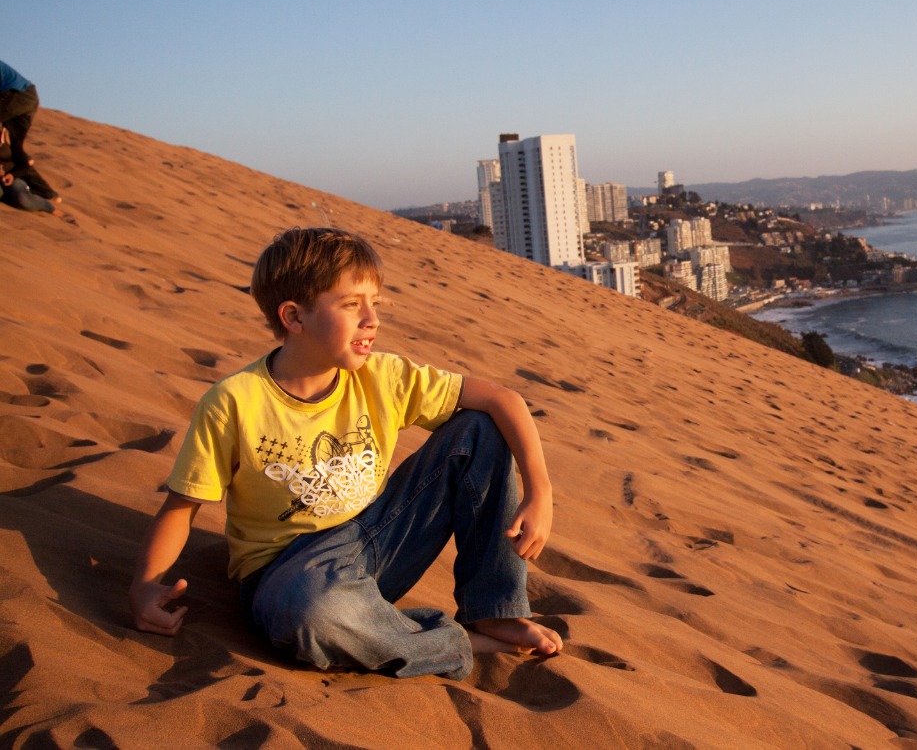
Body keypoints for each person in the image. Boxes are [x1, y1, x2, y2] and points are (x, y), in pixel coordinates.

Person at [129, 227, 562, 678]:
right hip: (287, 575)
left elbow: (503, 399)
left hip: (375, 542)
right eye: (352, 305)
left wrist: (540, 490)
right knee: (315, 616)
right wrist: (144, 585)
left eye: (376, 303)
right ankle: (448, 641)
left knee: (480, 426)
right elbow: (182, 507)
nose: (372, 319)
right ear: (294, 317)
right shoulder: (234, 402)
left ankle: (492, 608)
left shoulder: (382, 376)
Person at [0, 60, 59, 202]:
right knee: (15, 148)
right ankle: (46, 192)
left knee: (11, 147)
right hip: (28, 96)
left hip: (18, 95)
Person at [1, 166, 75, 223]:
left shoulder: (10, 146)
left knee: (24, 200)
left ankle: (49, 207)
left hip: (12, 176)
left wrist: (12, 175)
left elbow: (24, 164)